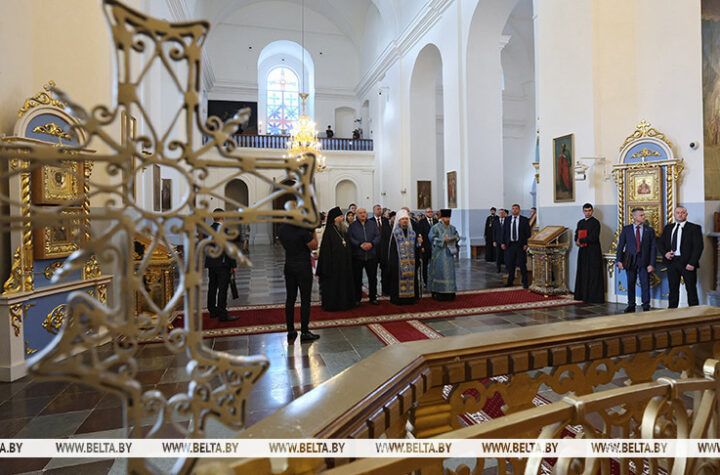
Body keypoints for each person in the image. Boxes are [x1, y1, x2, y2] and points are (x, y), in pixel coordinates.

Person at [278, 218, 320, 343]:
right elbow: (314, 246)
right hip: (303, 266)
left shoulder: (282, 228)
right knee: (305, 299)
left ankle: (290, 330)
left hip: (289, 265)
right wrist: (313, 231)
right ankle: (305, 331)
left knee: (290, 299)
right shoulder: (302, 230)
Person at [658, 206, 704, 308]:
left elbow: (698, 247)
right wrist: (665, 253)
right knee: (673, 289)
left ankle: (694, 312)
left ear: (686, 214)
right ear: (674, 215)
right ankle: (672, 311)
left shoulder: (694, 228)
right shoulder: (668, 228)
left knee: (691, 289)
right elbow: (660, 243)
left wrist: (692, 263)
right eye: (678, 213)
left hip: (687, 263)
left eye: (683, 213)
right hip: (672, 262)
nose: (680, 214)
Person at [616, 207, 657, 313]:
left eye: (644, 215)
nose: (644, 217)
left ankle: (646, 305)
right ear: (634, 217)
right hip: (630, 261)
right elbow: (620, 246)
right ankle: (631, 305)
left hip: (644, 261)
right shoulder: (626, 229)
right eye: (641, 215)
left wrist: (652, 264)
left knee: (645, 284)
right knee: (630, 283)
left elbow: (653, 248)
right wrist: (619, 260)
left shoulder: (649, 230)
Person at [316, 207, 356, 311]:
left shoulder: (343, 230)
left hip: (344, 264)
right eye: (340, 216)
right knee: (335, 285)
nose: (342, 218)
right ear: (334, 218)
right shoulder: (329, 232)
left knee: (344, 284)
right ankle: (334, 305)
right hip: (333, 266)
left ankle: (346, 303)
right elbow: (326, 251)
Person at [205, 209, 239, 321]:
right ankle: (222, 314)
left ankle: (212, 310)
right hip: (223, 264)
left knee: (212, 287)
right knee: (223, 289)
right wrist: (233, 265)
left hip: (211, 263)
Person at [387, 209, 421, 304]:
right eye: (402, 219)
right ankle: (398, 299)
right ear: (399, 221)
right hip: (398, 263)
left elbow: (416, 248)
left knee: (412, 280)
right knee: (397, 281)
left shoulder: (413, 233)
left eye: (406, 219)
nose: (405, 221)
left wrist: (419, 244)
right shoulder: (395, 234)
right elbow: (392, 250)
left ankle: (411, 298)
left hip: (411, 263)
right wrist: (393, 264)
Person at [348, 207, 381, 305]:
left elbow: (378, 236)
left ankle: (373, 297)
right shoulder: (352, 226)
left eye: (364, 212)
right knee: (357, 278)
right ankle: (357, 298)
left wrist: (371, 244)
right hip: (358, 255)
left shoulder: (372, 224)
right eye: (360, 213)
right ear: (357, 215)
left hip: (371, 255)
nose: (363, 214)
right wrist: (359, 244)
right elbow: (350, 238)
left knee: (373, 278)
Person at [574, 203, 605, 303]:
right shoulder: (580, 222)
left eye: (589, 211)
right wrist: (577, 240)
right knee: (583, 272)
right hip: (583, 251)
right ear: (583, 211)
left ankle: (593, 297)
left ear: (592, 211)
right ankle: (582, 295)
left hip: (593, 251)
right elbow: (576, 234)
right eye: (586, 211)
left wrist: (581, 240)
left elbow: (594, 237)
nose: (587, 212)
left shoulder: (595, 223)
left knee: (593, 273)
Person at [428, 209, 460, 300]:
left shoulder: (452, 228)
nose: (447, 219)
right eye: (446, 217)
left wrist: (453, 238)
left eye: (449, 218)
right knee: (440, 272)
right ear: (442, 218)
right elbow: (431, 238)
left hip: (449, 254)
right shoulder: (435, 227)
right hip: (439, 254)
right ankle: (438, 292)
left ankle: (450, 292)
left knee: (449, 273)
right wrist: (443, 240)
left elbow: (457, 236)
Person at [501, 204, 531, 288]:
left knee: (522, 264)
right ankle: (510, 281)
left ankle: (525, 282)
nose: (514, 210)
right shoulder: (507, 219)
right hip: (510, 245)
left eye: (516, 209)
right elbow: (504, 232)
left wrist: (526, 244)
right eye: (513, 209)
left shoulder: (524, 220)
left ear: (519, 210)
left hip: (520, 245)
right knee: (510, 264)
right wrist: (503, 242)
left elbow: (528, 233)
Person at [372, 204, 392, 296]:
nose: (379, 210)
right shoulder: (370, 221)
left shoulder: (386, 221)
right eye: (377, 209)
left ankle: (386, 289)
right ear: (374, 211)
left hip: (384, 249)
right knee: (373, 272)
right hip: (374, 250)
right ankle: (374, 291)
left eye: (380, 209)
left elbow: (389, 234)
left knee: (385, 270)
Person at [415, 208, 436, 286]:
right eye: (428, 212)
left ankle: (434, 280)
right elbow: (420, 234)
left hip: (435, 247)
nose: (430, 213)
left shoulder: (436, 221)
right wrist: (422, 247)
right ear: (425, 213)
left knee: (434, 264)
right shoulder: (422, 222)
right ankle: (426, 281)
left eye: (431, 212)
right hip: (425, 246)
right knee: (425, 265)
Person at [493, 208, 507, 273]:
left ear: (505, 214)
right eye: (500, 213)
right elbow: (494, 232)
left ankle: (507, 268)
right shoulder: (495, 222)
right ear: (498, 214)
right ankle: (498, 268)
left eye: (502, 213)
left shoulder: (508, 221)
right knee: (498, 255)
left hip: (506, 241)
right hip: (498, 241)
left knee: (506, 255)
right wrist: (494, 241)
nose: (501, 214)